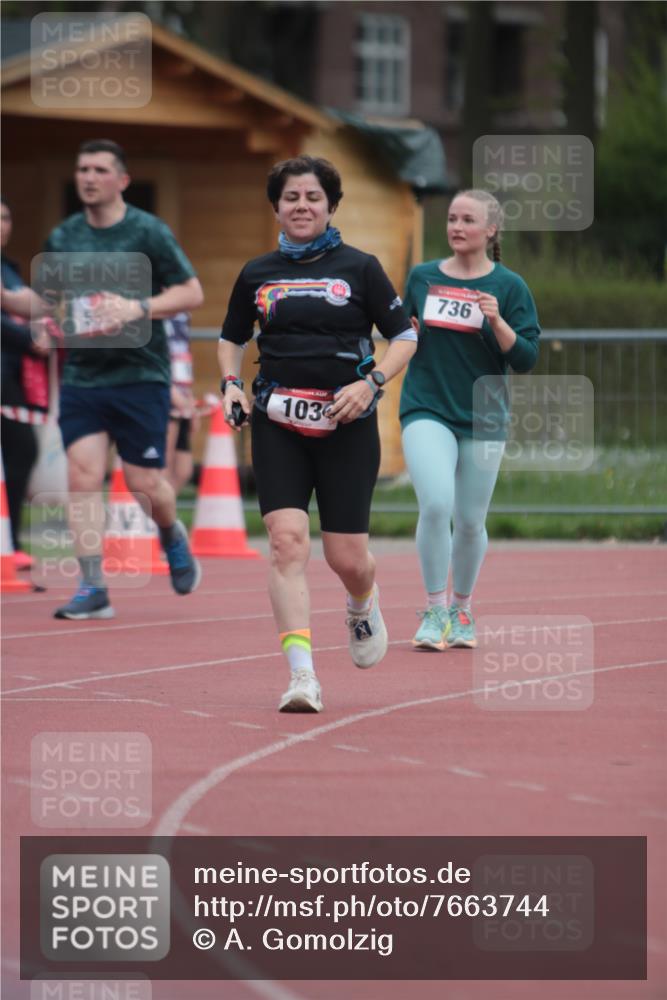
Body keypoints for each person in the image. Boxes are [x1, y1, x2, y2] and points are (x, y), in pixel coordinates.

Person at [218, 155, 417, 713]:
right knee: (286, 542)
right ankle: (302, 676)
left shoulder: (361, 267)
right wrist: (232, 384)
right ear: (276, 208)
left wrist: (373, 381)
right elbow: (232, 336)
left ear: (330, 206)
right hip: (278, 421)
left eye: (312, 197)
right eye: (290, 198)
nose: (301, 206)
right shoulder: (257, 272)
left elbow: (404, 337)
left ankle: (362, 601)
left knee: (346, 558)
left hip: (346, 425)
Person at [37, 139, 204, 619]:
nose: (88, 177)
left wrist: (138, 307)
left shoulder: (147, 232)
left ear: (121, 180)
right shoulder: (65, 236)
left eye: (99, 169)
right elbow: (45, 303)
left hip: (140, 374)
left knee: (144, 483)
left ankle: (171, 534)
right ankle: (93, 586)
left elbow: (191, 291)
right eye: (82, 168)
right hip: (83, 375)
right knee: (81, 475)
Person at [400, 189, 540, 650]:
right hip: (427, 406)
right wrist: (406, 333)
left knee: (471, 520)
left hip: (484, 415)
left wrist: (497, 322)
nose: (457, 227)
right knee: (436, 505)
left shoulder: (509, 286)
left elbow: (526, 358)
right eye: (452, 218)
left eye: (468, 220)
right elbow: (401, 330)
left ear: (491, 230)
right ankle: (435, 609)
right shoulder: (421, 277)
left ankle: (462, 609)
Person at [1, 198, 52, 569]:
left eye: (4, 217)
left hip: (16, 375)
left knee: (20, 454)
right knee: (19, 451)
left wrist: (40, 326)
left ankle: (11, 541)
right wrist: (31, 340)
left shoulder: (10, 268)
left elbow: (38, 309)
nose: (0, 224)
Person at [164, 311, 196, 494]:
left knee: (183, 470)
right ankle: (156, 519)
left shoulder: (183, 314)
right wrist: (171, 391)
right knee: (164, 465)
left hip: (183, 393)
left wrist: (189, 398)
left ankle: (163, 513)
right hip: (165, 392)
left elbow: (183, 353)